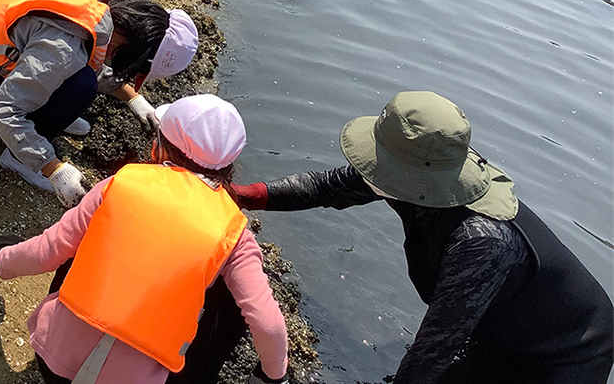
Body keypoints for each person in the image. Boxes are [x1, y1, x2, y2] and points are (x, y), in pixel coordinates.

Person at [232, 91, 614, 384]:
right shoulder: (424, 173)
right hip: (500, 327)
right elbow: (330, 187)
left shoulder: (481, 241)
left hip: (567, 355)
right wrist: (247, 196)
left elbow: (436, 346)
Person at [0, 94, 290, 384]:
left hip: (54, 364)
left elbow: (47, 251)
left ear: (158, 149)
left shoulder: (122, 183)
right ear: (228, 167)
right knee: (230, 293)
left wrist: (3, 257)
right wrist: (273, 376)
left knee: (86, 240)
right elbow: (268, 323)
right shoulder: (234, 232)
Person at [0, 0, 197, 207]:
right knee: (83, 84)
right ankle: (18, 159)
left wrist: (134, 99)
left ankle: (46, 118)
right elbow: (3, 110)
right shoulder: (64, 47)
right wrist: (53, 168)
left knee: (84, 75)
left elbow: (83, 59)